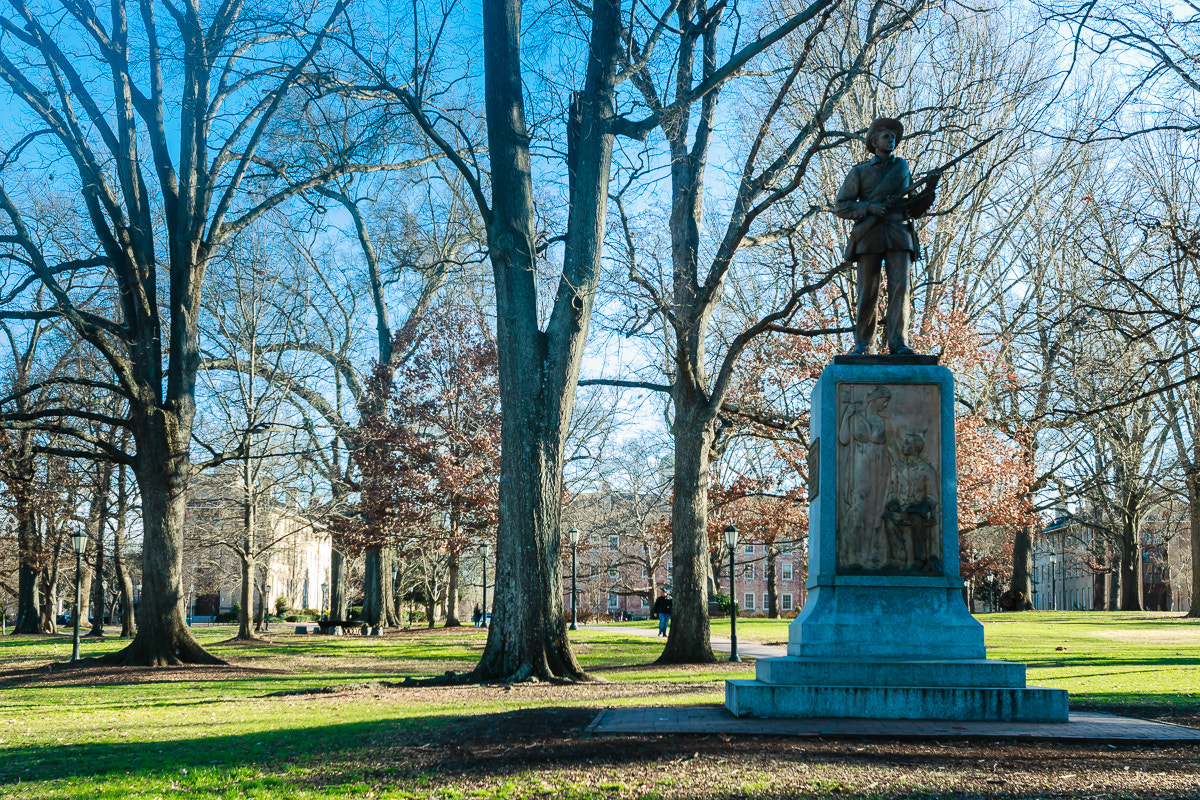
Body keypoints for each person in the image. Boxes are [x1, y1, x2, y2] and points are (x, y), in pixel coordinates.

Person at [834, 117, 924, 356]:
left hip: (898, 233)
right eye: (886, 136)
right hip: (870, 234)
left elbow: (913, 206)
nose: (891, 140)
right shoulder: (859, 172)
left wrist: (930, 189)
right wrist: (868, 208)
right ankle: (864, 344)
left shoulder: (902, 168)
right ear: (874, 141)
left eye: (893, 137)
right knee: (867, 292)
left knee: (900, 289)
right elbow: (841, 206)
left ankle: (899, 343)